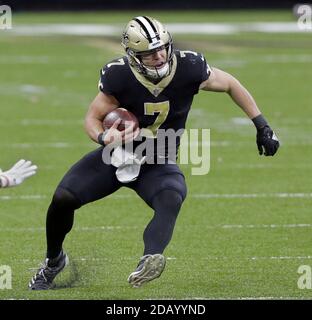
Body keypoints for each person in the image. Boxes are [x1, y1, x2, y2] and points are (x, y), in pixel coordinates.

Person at [28, 16, 279, 290]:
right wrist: (103, 135)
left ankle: (150, 259)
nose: (159, 57)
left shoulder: (189, 67)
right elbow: (92, 117)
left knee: (171, 197)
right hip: (117, 155)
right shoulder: (119, 75)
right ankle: (54, 261)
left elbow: (230, 83)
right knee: (63, 197)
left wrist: (261, 125)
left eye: (162, 48)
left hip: (158, 160)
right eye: (148, 54)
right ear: (134, 57)